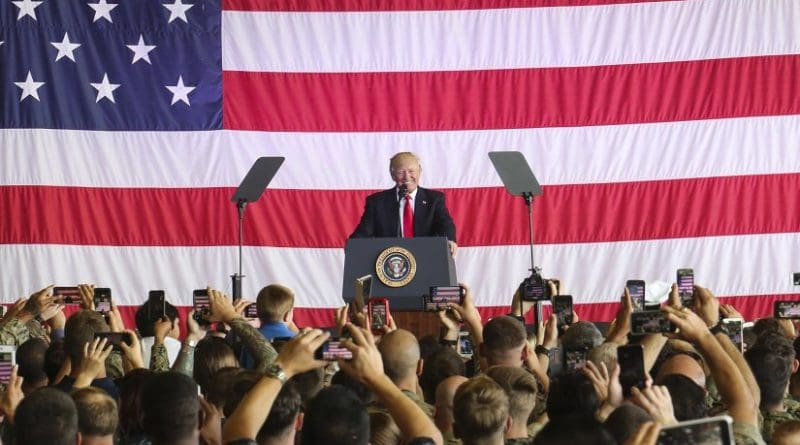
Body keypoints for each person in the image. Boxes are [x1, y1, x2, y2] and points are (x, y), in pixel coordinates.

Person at [350, 152, 457, 256]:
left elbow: (445, 225)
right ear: (392, 175)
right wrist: (352, 245)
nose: (407, 177)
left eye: (411, 171)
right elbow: (363, 232)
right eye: (401, 172)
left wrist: (450, 240)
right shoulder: (377, 202)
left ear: (419, 171)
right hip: (390, 263)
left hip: (426, 258)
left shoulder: (434, 199)